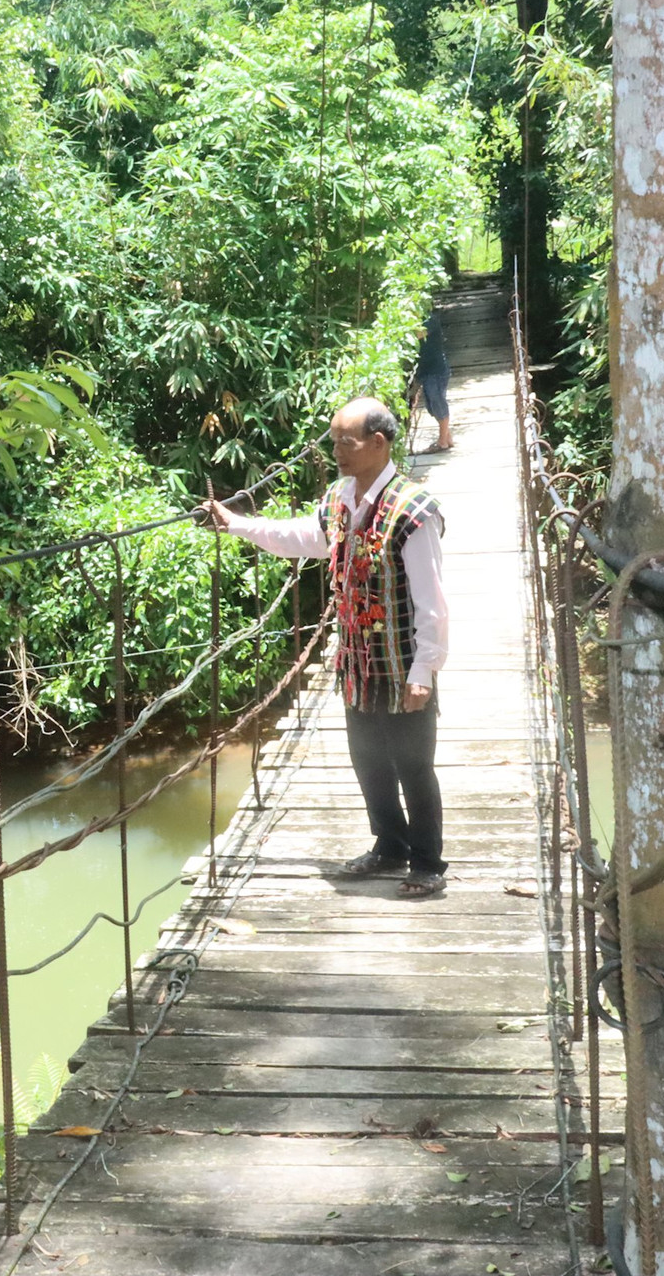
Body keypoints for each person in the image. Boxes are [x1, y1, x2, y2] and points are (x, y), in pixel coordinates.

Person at [203, 398, 449, 897]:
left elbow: (431, 600)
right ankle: (389, 845)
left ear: (378, 444)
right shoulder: (340, 499)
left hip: (402, 664)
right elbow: (300, 536)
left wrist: (425, 669)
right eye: (334, 439)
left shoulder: (415, 512)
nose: (336, 450)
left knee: (413, 765)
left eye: (346, 441)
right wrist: (236, 523)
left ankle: (426, 862)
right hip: (357, 662)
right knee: (367, 758)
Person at [409, 311, 454, 453]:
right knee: (432, 406)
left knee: (438, 403)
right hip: (426, 370)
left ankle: (442, 442)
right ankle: (447, 437)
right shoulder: (416, 321)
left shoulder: (430, 319)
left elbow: (418, 335)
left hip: (436, 369)